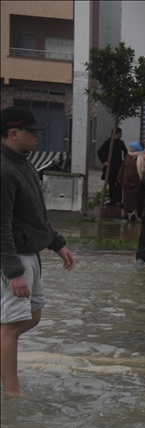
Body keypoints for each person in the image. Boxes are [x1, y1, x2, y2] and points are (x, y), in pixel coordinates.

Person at [0, 106, 76, 397]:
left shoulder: (23, 162)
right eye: (32, 132)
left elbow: (33, 215)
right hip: (15, 257)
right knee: (11, 326)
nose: (37, 137)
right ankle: (13, 393)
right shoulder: (5, 170)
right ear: (13, 133)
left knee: (32, 316)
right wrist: (13, 272)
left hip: (30, 254)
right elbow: (1, 226)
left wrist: (57, 244)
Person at [97, 128, 128, 206]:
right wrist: (104, 161)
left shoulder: (121, 143)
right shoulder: (108, 142)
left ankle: (118, 200)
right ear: (117, 134)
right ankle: (113, 200)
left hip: (118, 166)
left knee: (119, 183)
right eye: (120, 133)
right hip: (110, 167)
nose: (121, 135)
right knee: (111, 183)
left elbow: (125, 152)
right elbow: (100, 152)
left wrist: (125, 162)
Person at [116, 147, 142, 221]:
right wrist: (119, 176)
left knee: (135, 198)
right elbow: (123, 167)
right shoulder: (128, 156)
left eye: (132, 148)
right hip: (127, 181)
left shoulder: (141, 157)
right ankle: (126, 213)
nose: (131, 149)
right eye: (130, 148)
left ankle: (134, 213)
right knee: (126, 198)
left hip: (137, 180)